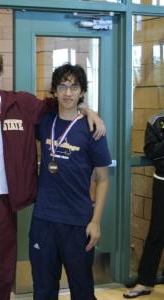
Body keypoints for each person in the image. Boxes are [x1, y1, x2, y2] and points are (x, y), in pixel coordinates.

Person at [0, 46, 105, 300]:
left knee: (1, 275)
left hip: (2, 203)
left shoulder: (22, 104)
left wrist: (89, 112)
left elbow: (62, 103)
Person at [29, 63, 111, 300]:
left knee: (83, 291)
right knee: (43, 291)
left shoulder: (92, 128)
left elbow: (104, 179)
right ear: (54, 91)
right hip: (43, 220)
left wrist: (96, 222)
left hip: (78, 222)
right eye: (62, 86)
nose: (67, 93)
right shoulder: (44, 122)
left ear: (82, 91)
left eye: (74, 86)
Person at [123, 111, 164, 299]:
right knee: (156, 233)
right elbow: (151, 150)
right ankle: (145, 281)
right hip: (162, 181)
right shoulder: (157, 120)